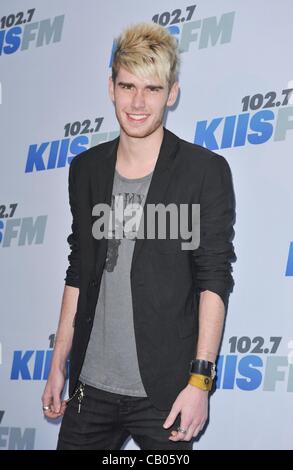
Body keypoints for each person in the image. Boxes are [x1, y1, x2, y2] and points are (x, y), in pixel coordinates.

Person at [42, 22, 236, 450]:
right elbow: (79, 269)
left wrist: (200, 381)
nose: (137, 102)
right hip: (88, 389)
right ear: (110, 87)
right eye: (127, 86)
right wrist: (59, 363)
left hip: (165, 393)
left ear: (172, 94)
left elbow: (214, 278)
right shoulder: (86, 170)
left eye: (152, 89)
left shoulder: (203, 172)